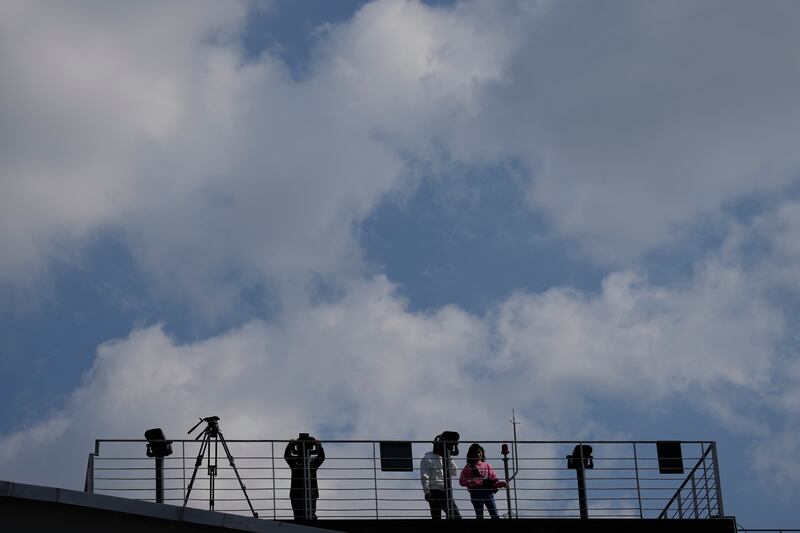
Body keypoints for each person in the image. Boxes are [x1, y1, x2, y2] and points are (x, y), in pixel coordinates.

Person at [420, 431, 462, 519]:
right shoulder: (428, 457)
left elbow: (454, 472)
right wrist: (427, 492)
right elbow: (424, 476)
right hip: (434, 491)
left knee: (455, 516)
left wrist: (449, 458)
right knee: (436, 516)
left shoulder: (447, 457)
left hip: (447, 490)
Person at [284, 433, 325, 520]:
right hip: (299, 493)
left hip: (307, 492)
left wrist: (291, 444)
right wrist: (318, 445)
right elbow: (287, 456)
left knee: (309, 513)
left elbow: (321, 457)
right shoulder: (305, 464)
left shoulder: (305, 464)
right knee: (300, 515)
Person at [459, 443, 506, 519]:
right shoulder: (468, 467)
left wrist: (501, 484)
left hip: (488, 492)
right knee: (480, 515)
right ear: (471, 454)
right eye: (475, 453)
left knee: (494, 514)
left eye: (479, 452)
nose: (477, 454)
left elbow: (493, 480)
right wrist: (471, 481)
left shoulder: (487, 465)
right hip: (476, 492)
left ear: (482, 453)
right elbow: (462, 481)